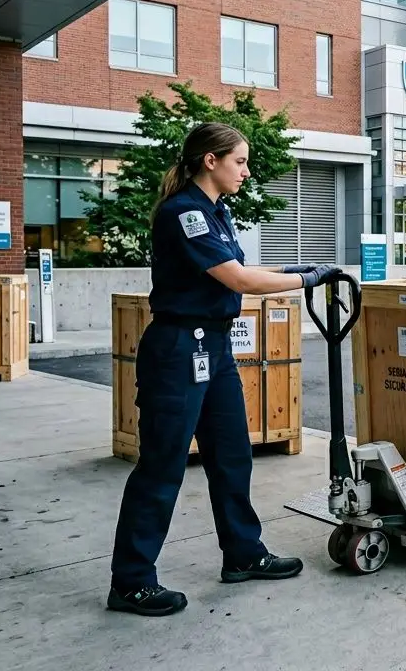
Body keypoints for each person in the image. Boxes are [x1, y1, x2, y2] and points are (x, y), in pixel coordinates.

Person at [107, 122, 342, 617]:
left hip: (213, 347)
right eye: (239, 161)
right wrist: (307, 277)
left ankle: (243, 552)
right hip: (177, 348)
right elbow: (235, 277)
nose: (246, 170)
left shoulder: (217, 212)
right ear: (210, 161)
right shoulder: (184, 212)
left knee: (233, 454)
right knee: (162, 465)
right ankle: (131, 581)